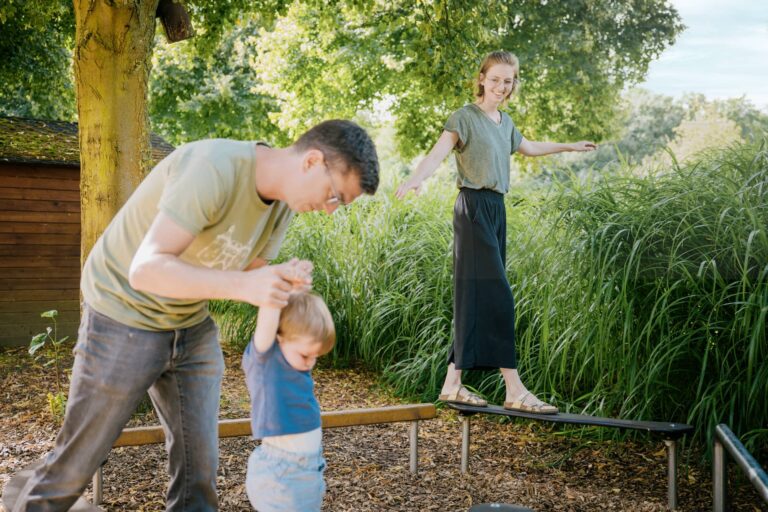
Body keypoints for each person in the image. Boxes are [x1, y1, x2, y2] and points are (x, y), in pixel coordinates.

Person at [13, 119, 379, 511]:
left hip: (190, 323)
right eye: (334, 196)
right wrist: (245, 287)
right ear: (311, 161)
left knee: (199, 474)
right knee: (76, 465)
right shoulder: (213, 167)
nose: (328, 210)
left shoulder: (283, 208)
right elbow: (146, 270)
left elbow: (245, 270)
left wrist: (278, 280)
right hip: (122, 314)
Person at [396, 51, 595, 414]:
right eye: (497, 79)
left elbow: (529, 148)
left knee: (475, 295)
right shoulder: (465, 117)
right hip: (472, 208)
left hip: (496, 210)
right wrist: (416, 179)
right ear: (482, 79)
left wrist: (569, 145)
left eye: (509, 80)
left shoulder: (505, 122)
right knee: (498, 295)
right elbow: (438, 153)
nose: (503, 86)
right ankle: (514, 389)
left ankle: (451, 385)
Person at [242, 292, 335, 512]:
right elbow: (267, 320)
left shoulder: (297, 366)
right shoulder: (267, 364)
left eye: (316, 357)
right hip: (282, 475)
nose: (310, 363)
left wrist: (298, 291)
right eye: (305, 355)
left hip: (308, 469)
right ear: (279, 338)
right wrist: (280, 287)